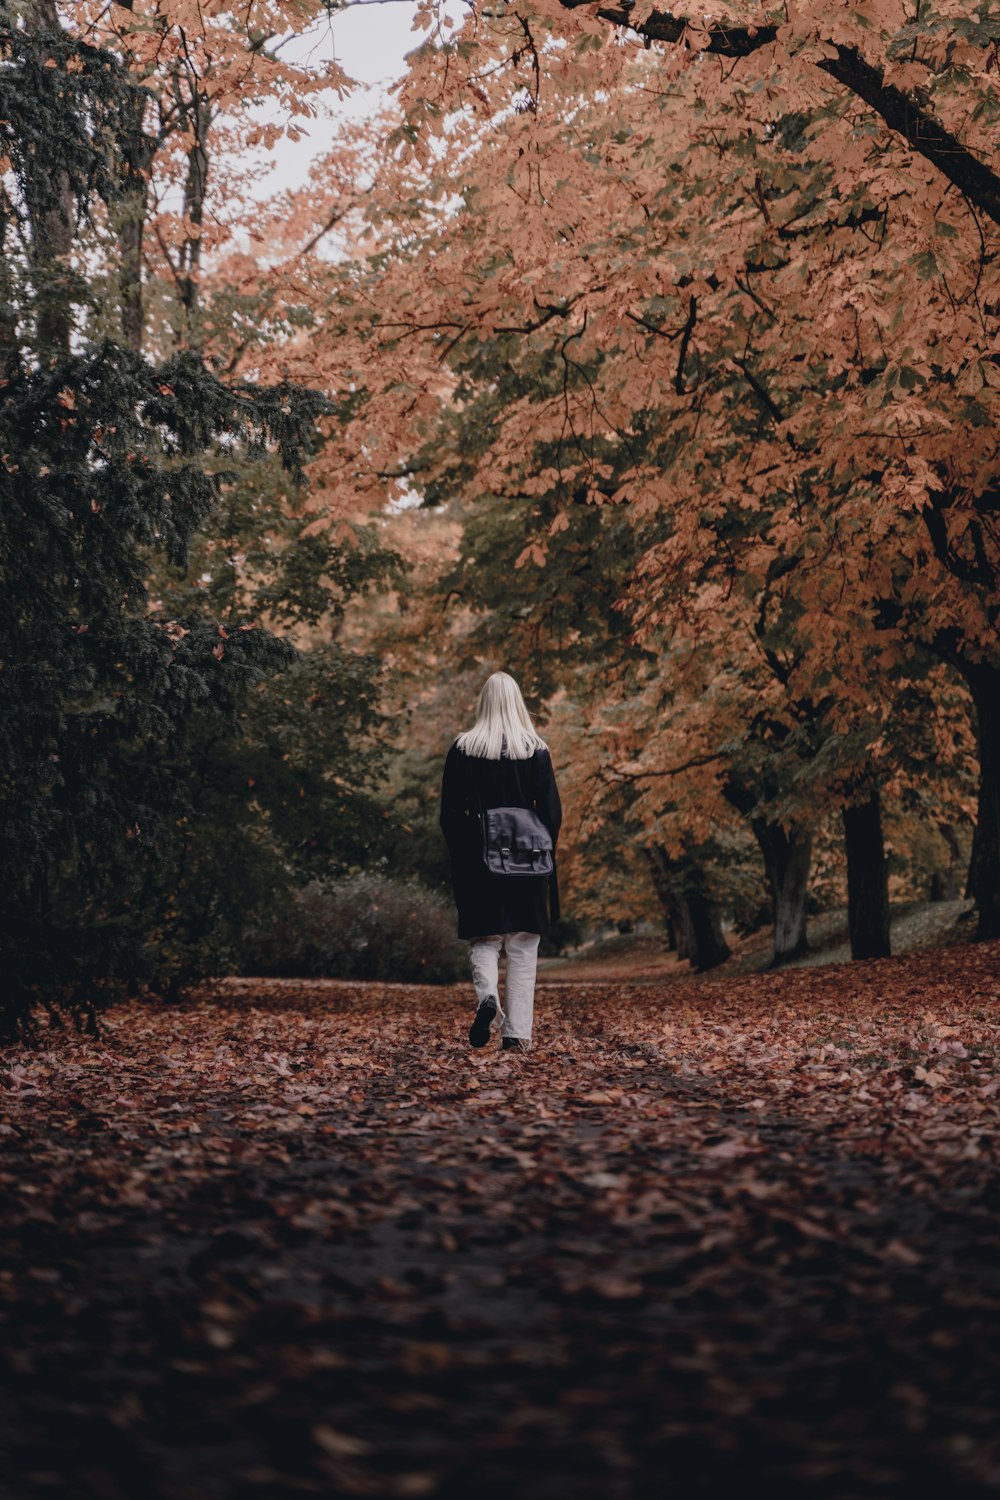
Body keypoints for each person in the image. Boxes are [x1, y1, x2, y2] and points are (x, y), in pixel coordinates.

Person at [439, 671, 562, 1054]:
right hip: (528, 862)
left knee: (485, 939)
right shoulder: (536, 749)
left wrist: (466, 855)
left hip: (479, 861)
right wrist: (543, 853)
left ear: (484, 702)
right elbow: (553, 813)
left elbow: (449, 814)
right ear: (517, 701)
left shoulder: (463, 748)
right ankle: (517, 1036)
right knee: (524, 947)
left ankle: (487, 999)